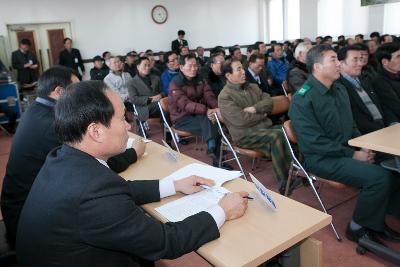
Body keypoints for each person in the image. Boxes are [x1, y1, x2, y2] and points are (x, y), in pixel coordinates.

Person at [16, 80, 248, 266]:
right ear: (95, 131)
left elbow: (119, 190)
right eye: (121, 119)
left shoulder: (63, 156)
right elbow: (166, 242)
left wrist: (175, 185)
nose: (128, 126)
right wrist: (222, 210)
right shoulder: (94, 191)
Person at [1, 66, 142, 248]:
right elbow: (91, 165)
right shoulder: (53, 125)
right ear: (59, 92)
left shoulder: (36, 110)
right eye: (76, 88)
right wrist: (133, 153)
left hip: (27, 205)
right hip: (28, 220)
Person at [289, 44, 400, 246]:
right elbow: (314, 143)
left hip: (345, 151)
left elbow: (352, 125)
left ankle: (378, 220)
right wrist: (352, 154)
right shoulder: (302, 99)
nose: (339, 64)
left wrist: (362, 146)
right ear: (317, 67)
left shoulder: (339, 89)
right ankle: (357, 228)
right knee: (379, 177)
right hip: (321, 158)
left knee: (392, 165)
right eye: (333, 60)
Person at [219, 59, 291, 190]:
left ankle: (297, 169)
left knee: (291, 131)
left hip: (264, 128)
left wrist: (255, 109)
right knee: (277, 136)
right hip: (245, 136)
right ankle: (285, 180)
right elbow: (241, 120)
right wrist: (262, 114)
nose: (243, 72)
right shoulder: (225, 96)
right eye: (238, 69)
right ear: (228, 76)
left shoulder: (252, 86)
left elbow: (268, 102)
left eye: (242, 68)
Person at [168, 54, 221, 165]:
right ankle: (216, 157)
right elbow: (185, 104)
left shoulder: (200, 78)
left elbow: (208, 95)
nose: (194, 68)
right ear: (181, 67)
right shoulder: (175, 83)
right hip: (182, 118)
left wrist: (216, 108)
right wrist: (206, 110)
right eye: (190, 66)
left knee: (213, 118)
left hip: (199, 115)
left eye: (195, 65)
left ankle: (215, 154)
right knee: (212, 121)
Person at [337, 45, 395, 135]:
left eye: (360, 59)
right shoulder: (338, 87)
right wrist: (381, 131)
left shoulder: (365, 80)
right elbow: (355, 118)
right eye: (355, 60)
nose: (360, 63)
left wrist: (392, 122)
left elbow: (381, 105)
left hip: (384, 128)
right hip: (367, 134)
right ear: (341, 63)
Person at [127, 56, 161, 128]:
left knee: (168, 105)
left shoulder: (156, 78)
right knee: (163, 105)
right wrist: (151, 99)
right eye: (145, 65)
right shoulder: (132, 82)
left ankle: (169, 130)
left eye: (149, 65)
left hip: (158, 103)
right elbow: (133, 99)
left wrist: (161, 95)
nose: (147, 67)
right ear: (138, 67)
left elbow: (163, 91)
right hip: (144, 107)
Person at [372, 42, 400, 122]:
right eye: (398, 57)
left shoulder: (397, 74)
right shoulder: (379, 82)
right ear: (385, 62)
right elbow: (397, 107)